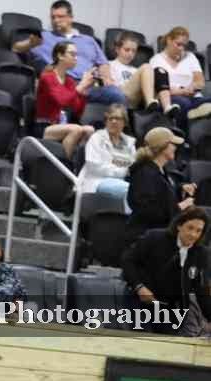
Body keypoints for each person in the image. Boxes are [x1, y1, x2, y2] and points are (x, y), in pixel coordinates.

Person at [15, 1, 125, 106]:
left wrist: (107, 77)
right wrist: (29, 43)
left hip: (88, 86)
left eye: (60, 16)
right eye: (53, 17)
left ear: (70, 17)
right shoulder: (44, 37)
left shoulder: (88, 40)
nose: (56, 20)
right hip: (62, 83)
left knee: (116, 94)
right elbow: (16, 48)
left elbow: (103, 63)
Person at [122, 207, 211, 336]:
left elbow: (201, 290)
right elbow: (128, 260)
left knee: (168, 342)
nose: (193, 234)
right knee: (143, 339)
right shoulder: (154, 237)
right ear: (179, 225)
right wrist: (139, 287)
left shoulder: (202, 254)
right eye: (190, 228)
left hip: (169, 308)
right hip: (140, 299)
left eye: (198, 231)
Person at [126, 127, 197, 248]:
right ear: (163, 147)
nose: (175, 147)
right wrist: (180, 207)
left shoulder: (159, 169)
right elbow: (148, 210)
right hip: (145, 239)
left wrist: (180, 189)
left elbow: (162, 192)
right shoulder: (145, 173)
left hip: (159, 234)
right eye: (172, 144)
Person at [35, 41, 95, 159]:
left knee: (89, 130)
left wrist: (83, 94)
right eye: (72, 54)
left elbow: (76, 111)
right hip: (44, 126)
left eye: (76, 55)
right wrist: (80, 86)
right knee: (76, 129)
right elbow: (61, 101)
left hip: (62, 124)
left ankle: (77, 163)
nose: (75, 58)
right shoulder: (47, 77)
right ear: (60, 55)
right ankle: (64, 165)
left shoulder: (70, 81)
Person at [150, 27, 211, 131]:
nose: (181, 48)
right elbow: (158, 88)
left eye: (184, 45)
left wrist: (193, 87)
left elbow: (200, 81)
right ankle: (182, 133)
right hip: (171, 97)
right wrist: (182, 91)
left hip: (194, 97)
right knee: (183, 103)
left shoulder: (191, 57)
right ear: (169, 40)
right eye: (178, 44)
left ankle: (196, 112)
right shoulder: (156, 60)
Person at [108, 32, 175, 117]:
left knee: (160, 71)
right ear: (117, 49)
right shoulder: (109, 65)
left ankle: (167, 107)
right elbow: (109, 85)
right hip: (122, 95)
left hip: (138, 99)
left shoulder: (135, 70)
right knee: (147, 66)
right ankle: (149, 101)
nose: (130, 54)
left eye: (133, 51)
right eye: (127, 50)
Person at [78, 104, 136, 201]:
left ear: (124, 122)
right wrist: (122, 171)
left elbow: (132, 166)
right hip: (98, 181)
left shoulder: (130, 143)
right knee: (132, 191)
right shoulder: (96, 138)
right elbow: (94, 166)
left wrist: (125, 171)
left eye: (117, 118)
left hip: (121, 182)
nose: (113, 121)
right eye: (110, 118)